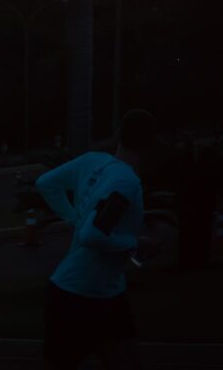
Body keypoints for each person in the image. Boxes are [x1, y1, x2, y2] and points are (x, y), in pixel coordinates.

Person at [36, 110, 159, 370]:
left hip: (105, 295)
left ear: (119, 136)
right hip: (80, 300)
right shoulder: (126, 182)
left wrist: (74, 217)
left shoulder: (91, 162)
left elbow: (46, 183)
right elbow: (92, 234)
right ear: (150, 144)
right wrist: (136, 243)